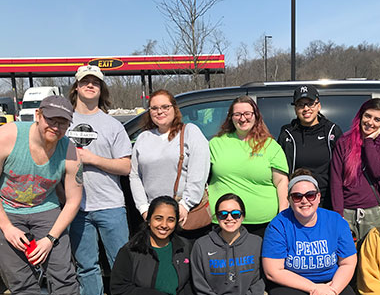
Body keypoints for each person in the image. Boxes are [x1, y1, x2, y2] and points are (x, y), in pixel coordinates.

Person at [0, 96, 100, 295]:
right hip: (6, 211)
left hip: (46, 209)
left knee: (63, 272)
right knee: (19, 277)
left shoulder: (70, 151)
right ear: (37, 116)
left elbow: (74, 199)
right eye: (51, 119)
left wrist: (50, 238)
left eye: (63, 122)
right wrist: (6, 227)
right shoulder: (6, 137)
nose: (56, 126)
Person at [262, 170, 359, 295]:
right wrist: (314, 288)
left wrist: (333, 290)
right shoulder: (279, 224)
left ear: (319, 197)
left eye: (310, 195)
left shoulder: (335, 221)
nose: (304, 200)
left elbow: (348, 262)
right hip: (291, 281)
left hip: (328, 279)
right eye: (297, 196)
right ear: (289, 200)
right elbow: (273, 271)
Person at [67, 65, 132, 295]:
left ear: (101, 89)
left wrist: (92, 159)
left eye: (95, 82)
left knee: (121, 261)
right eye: (85, 81)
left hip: (110, 205)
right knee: (86, 263)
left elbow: (126, 166)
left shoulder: (112, 125)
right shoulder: (63, 121)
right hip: (75, 207)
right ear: (76, 87)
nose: (90, 85)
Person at [208, 95, 289, 238]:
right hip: (224, 222)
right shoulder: (215, 144)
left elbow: (282, 182)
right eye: (237, 114)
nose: (242, 118)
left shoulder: (271, 146)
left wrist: (282, 217)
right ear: (231, 117)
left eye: (247, 114)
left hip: (263, 225)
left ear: (256, 116)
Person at [130, 89, 210, 228]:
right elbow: (135, 175)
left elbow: (199, 173)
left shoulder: (190, 132)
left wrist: (185, 205)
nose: (159, 112)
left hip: (184, 214)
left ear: (174, 109)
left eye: (165, 107)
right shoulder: (143, 138)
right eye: (154, 108)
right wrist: (144, 208)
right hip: (154, 215)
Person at [330, 98, 380, 242]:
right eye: (367, 116)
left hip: (374, 212)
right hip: (347, 212)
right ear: (360, 116)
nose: (370, 122)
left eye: (377, 119)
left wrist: (369, 142)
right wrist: (338, 214)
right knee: (347, 253)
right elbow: (336, 180)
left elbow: (377, 172)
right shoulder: (344, 142)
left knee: (373, 253)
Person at [277, 85, 342, 208]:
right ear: (295, 109)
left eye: (310, 104)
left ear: (319, 105)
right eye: (301, 105)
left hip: (326, 201)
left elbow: (342, 169)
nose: (306, 109)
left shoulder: (331, 131)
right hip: (298, 201)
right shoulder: (287, 134)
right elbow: (281, 173)